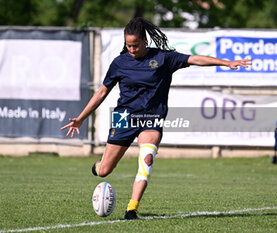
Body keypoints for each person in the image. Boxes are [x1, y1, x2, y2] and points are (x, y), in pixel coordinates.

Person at [61, 17, 251, 220]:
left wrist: (226, 63)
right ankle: (98, 166)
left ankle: (131, 209)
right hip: (124, 117)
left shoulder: (163, 58)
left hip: (152, 118)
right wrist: (81, 118)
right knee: (105, 171)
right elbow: (101, 93)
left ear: (145, 41)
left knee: (147, 158)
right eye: (128, 45)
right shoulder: (119, 63)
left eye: (135, 45)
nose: (131, 49)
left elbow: (194, 59)